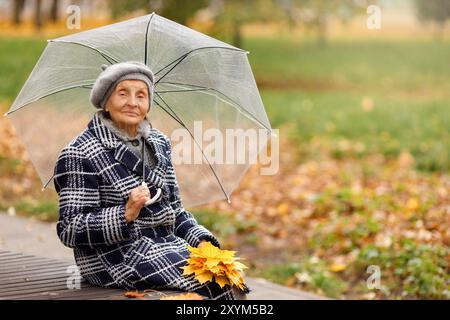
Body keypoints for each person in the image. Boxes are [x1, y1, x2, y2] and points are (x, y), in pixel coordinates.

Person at [53, 61, 246, 300]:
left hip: (165, 246)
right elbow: (70, 228)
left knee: (230, 276)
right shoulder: (80, 152)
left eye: (141, 95)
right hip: (114, 257)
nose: (133, 102)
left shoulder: (158, 143)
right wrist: (125, 213)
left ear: (148, 104)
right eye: (122, 93)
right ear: (105, 101)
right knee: (214, 285)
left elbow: (175, 210)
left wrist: (203, 241)